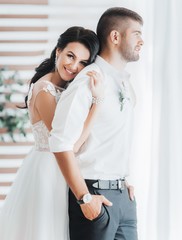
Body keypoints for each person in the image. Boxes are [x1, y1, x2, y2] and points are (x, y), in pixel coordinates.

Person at [49, 7, 144, 240]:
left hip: (124, 198)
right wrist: (85, 198)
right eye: (137, 34)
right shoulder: (88, 81)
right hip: (94, 196)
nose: (142, 41)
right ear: (115, 37)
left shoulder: (124, 83)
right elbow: (60, 143)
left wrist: (123, 181)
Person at [0, 26, 103, 240]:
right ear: (58, 51)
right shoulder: (45, 90)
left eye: (83, 62)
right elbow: (70, 145)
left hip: (58, 167)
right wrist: (97, 104)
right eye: (70, 56)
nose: (74, 66)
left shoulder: (65, 89)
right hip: (49, 169)